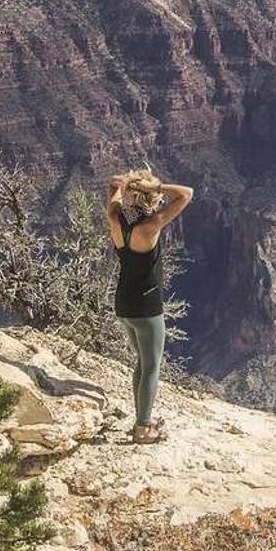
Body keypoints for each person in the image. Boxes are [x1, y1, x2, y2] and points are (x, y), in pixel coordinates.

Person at [105, 169, 192, 444]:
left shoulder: (116, 217)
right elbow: (186, 194)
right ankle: (143, 428)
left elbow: (112, 188)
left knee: (142, 363)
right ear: (150, 198)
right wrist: (157, 187)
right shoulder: (150, 226)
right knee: (152, 366)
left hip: (124, 305)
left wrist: (126, 187)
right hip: (147, 307)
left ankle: (143, 417)